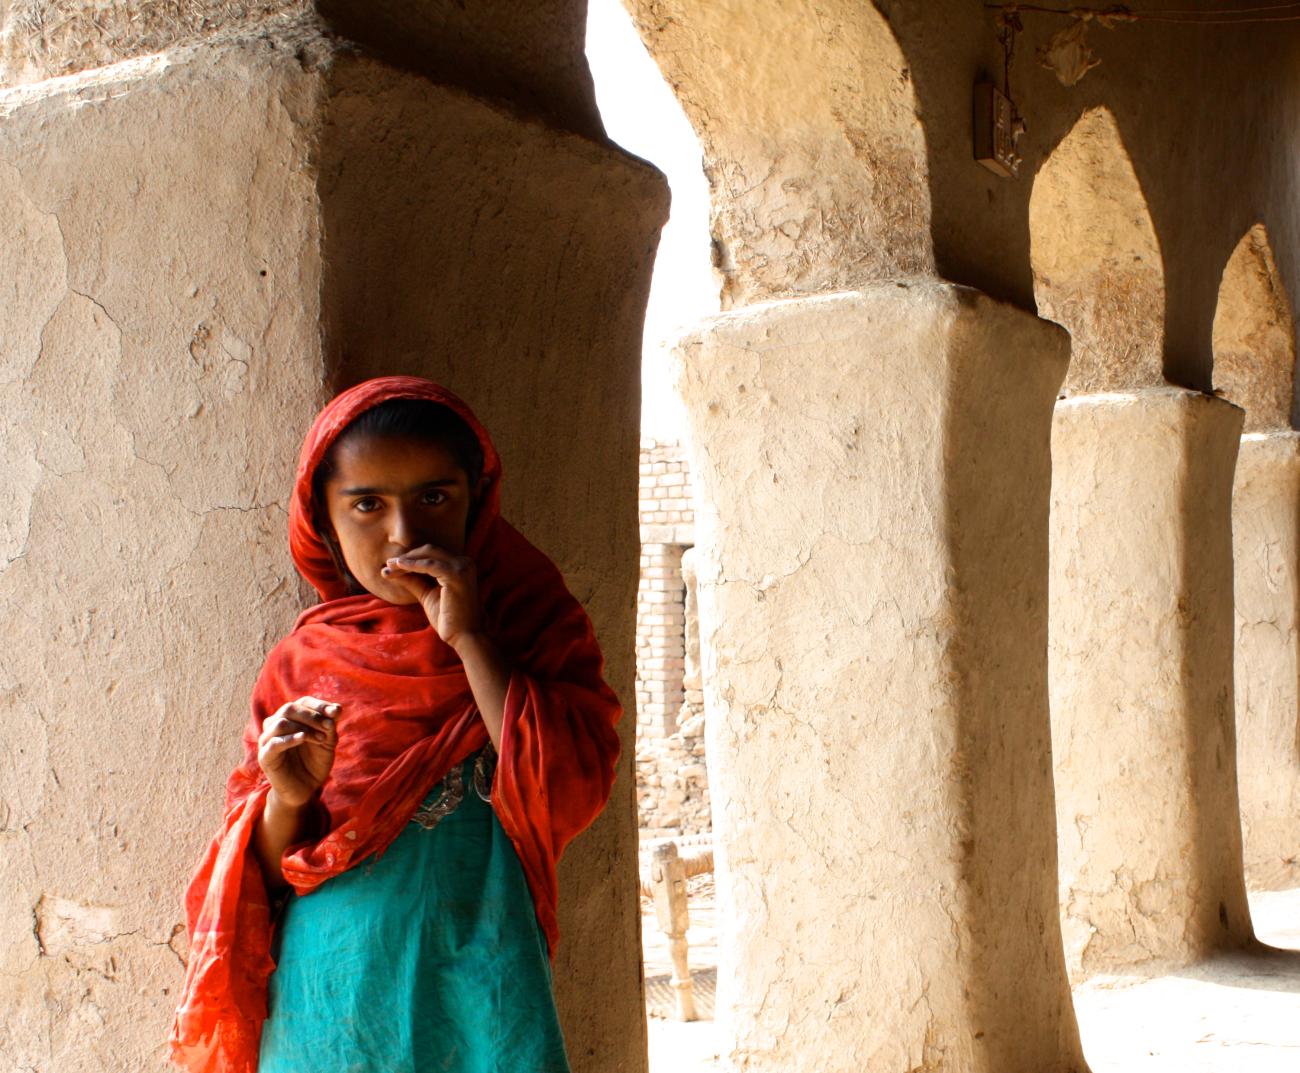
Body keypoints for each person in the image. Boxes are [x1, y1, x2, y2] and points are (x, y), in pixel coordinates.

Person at [168, 376, 623, 1073]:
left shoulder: (530, 627)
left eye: (434, 498)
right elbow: (266, 874)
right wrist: (287, 797)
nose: (404, 533)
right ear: (323, 520)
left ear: (476, 502)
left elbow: (568, 790)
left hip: (481, 979)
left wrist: (470, 639)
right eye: (367, 504)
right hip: (331, 994)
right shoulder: (305, 662)